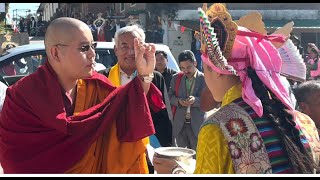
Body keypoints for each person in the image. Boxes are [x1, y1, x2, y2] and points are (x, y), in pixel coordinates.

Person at [154, 3, 320, 174]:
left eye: (205, 67)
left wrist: (175, 170)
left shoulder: (218, 128)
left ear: (216, 70)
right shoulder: (304, 122)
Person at [0, 17, 165, 174]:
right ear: (55, 53)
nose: (93, 54)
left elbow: (127, 108)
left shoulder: (96, 85)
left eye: (93, 46)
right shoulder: (22, 96)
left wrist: (144, 75)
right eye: (84, 48)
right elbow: (15, 160)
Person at [100, 25, 173, 148]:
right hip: (111, 146)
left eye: (135, 46)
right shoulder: (102, 77)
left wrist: (165, 148)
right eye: (124, 47)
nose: (131, 52)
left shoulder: (154, 77)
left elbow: (163, 116)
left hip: (146, 146)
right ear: (115, 49)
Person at [168, 50, 207, 151]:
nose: (186, 71)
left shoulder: (204, 79)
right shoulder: (176, 78)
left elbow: (212, 101)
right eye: (182, 68)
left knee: (197, 154)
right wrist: (179, 102)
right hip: (180, 124)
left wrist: (195, 101)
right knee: (180, 155)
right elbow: (169, 97)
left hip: (197, 124)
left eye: (188, 67)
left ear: (195, 63)